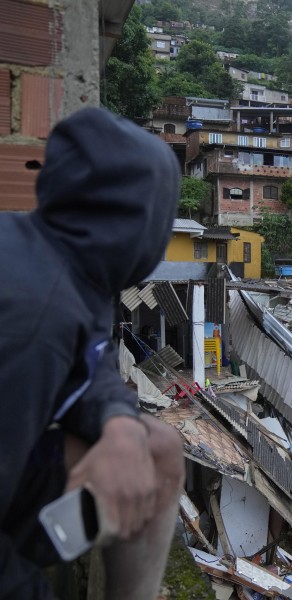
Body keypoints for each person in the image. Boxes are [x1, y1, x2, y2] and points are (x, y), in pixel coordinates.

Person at [0, 107, 185, 598]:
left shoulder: (60, 266)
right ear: (141, 223)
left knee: (158, 450)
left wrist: (120, 424)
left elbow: (94, 363)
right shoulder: (36, 322)